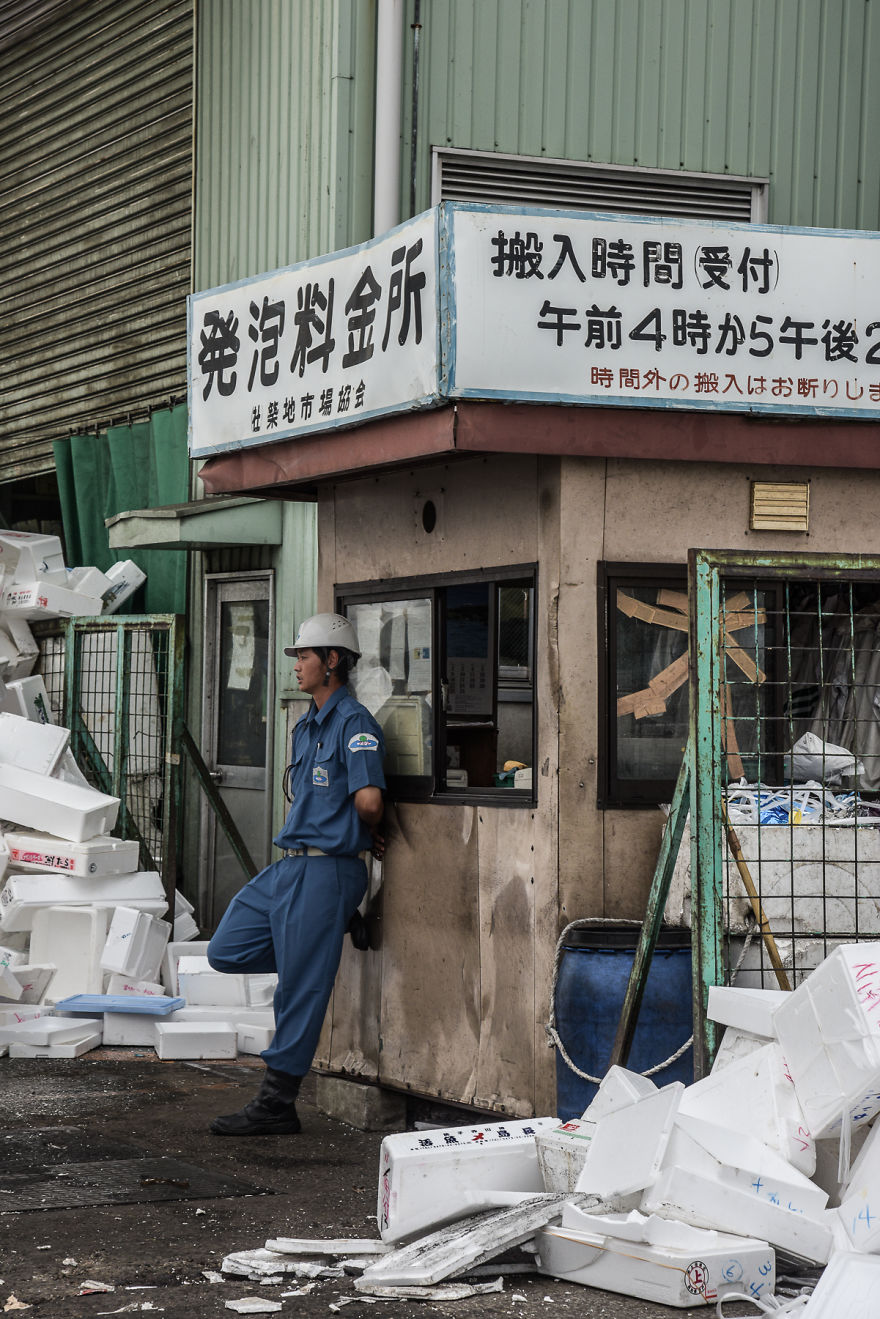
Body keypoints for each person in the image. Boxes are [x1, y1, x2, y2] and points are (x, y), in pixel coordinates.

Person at [206, 612, 385, 1136]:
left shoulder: (355, 722)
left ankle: (277, 1103)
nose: (298, 665)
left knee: (300, 989)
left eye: (305, 656)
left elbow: (370, 800)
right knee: (225, 948)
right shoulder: (307, 724)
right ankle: (328, 930)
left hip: (328, 871)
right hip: (292, 868)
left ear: (333, 661)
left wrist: (367, 824)